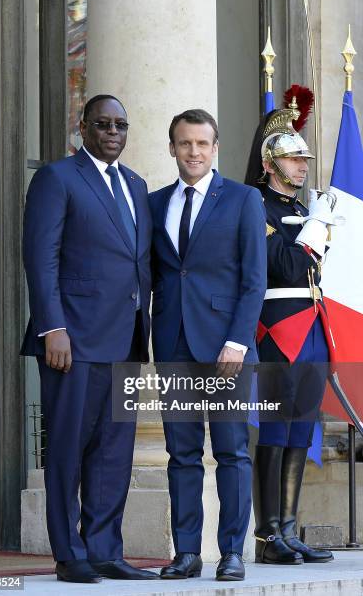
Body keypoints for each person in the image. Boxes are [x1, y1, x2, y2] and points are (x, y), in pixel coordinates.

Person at [21, 95, 158, 583]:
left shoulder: (137, 184)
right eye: (103, 124)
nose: (113, 132)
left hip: (125, 340)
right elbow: (41, 259)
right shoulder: (57, 179)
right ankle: (70, 553)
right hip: (72, 340)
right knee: (68, 447)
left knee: (114, 452)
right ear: (83, 127)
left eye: (121, 124)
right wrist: (51, 327)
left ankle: (104, 549)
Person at [149, 109, 267, 581]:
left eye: (202, 143)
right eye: (184, 144)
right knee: (182, 453)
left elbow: (254, 280)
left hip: (226, 349)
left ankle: (233, 552)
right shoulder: (156, 204)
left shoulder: (243, 200)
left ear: (215, 147)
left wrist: (238, 341)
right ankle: (187, 553)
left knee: (232, 451)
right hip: (174, 341)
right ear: (172, 148)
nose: (193, 152)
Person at [244, 93, 335, 564]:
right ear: (269, 162)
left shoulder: (300, 208)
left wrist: (313, 223)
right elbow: (284, 264)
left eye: (303, 158)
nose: (302, 166)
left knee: (303, 427)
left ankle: (288, 528)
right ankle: (265, 536)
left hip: (313, 327)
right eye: (292, 157)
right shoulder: (257, 208)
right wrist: (317, 226)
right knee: (277, 429)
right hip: (278, 329)